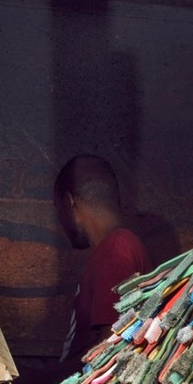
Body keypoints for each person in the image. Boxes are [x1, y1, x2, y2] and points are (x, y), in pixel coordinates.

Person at [54, 154, 150, 365]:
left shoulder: (115, 249)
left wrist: (38, 382)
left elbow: (111, 348)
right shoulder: (114, 248)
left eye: (57, 210)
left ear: (70, 203)